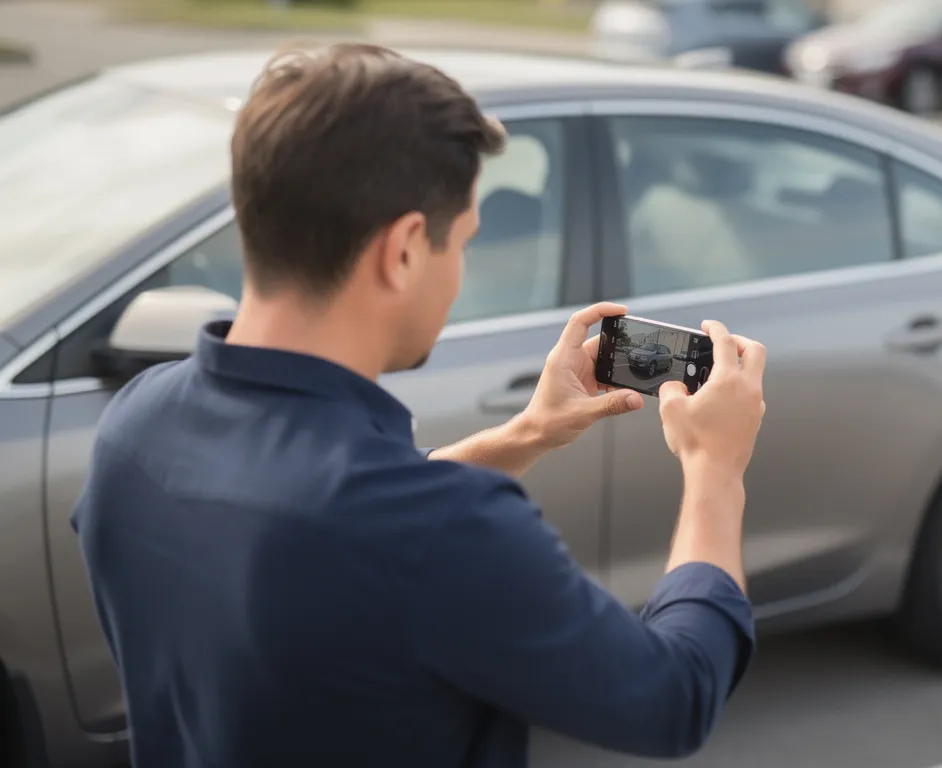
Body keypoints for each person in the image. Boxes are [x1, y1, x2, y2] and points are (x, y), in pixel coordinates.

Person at [71, 42, 767, 768]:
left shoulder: (135, 426)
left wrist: (526, 434)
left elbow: (337, 522)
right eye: (464, 240)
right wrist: (715, 466)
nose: (462, 270)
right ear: (404, 249)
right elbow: (673, 698)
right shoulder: (438, 530)